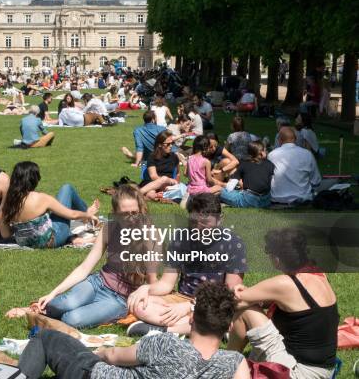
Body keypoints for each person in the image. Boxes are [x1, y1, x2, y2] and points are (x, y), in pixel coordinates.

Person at [19, 282, 250, 379]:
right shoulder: (236, 362)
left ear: (192, 320)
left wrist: (98, 352)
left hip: (94, 374)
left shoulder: (165, 344)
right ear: (229, 326)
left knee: (46, 336)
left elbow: (113, 356)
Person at [34, 185, 156, 328]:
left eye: (134, 213)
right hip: (97, 283)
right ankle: (39, 309)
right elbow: (85, 267)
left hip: (119, 300)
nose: (130, 219)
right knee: (58, 305)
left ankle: (46, 316)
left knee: (72, 319)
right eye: (124, 214)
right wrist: (53, 293)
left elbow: (152, 282)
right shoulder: (109, 228)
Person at [127, 193, 246, 335]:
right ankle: (202, 328)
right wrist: (146, 289)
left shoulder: (234, 244)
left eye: (205, 223)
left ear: (219, 220)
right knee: (139, 304)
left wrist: (191, 306)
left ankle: (166, 330)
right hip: (181, 298)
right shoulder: (180, 238)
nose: (197, 229)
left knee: (220, 314)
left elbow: (229, 293)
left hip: (214, 303)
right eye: (193, 222)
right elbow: (166, 284)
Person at [229, 228, 338, 379]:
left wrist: (244, 295)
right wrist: (251, 294)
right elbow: (289, 302)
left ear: (277, 259)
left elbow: (236, 302)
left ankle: (225, 366)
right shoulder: (317, 274)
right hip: (325, 370)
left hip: (300, 373)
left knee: (246, 310)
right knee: (249, 303)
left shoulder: (285, 284)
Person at [0, 161, 98, 248]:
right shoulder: (40, 198)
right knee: (67, 188)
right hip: (50, 241)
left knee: (45, 220)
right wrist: (88, 215)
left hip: (26, 242)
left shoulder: (8, 201)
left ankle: (73, 238)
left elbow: (5, 234)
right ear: (34, 179)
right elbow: (72, 215)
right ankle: (87, 216)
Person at [268, 127, 321, 204]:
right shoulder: (307, 154)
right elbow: (316, 181)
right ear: (295, 139)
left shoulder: (272, 155)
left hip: (277, 198)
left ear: (279, 140)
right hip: (303, 198)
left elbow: (266, 178)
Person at [220, 141, 274, 208]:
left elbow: (230, 187)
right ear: (262, 152)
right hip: (266, 201)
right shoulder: (269, 164)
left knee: (221, 191)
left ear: (249, 153)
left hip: (248, 200)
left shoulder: (244, 164)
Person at [140, 131, 180, 200]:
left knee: (152, 193)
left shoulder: (174, 157)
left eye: (172, 143)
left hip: (168, 185)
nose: (171, 146)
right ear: (160, 145)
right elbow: (153, 176)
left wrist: (175, 184)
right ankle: (143, 194)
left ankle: (138, 194)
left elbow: (178, 173)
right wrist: (165, 181)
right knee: (151, 192)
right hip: (152, 183)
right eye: (168, 144)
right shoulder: (152, 156)